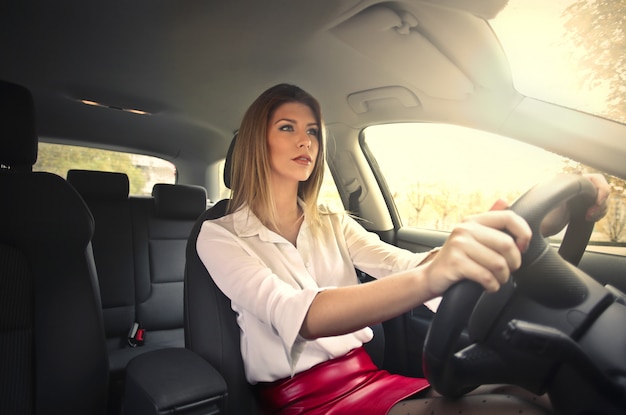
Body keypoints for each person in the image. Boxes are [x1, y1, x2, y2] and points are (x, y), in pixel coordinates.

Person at [196, 83, 610, 414]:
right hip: (305, 401)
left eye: (312, 131)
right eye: (287, 127)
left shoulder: (333, 223)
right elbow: (300, 316)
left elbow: (404, 264)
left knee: (548, 387)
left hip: (371, 378)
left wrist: (529, 227)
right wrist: (432, 274)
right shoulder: (219, 235)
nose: (305, 141)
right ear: (256, 141)